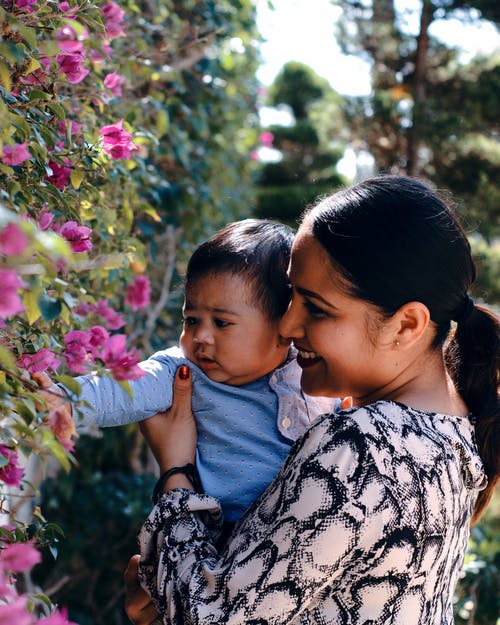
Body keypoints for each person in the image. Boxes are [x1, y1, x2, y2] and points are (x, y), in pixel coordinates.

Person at [134, 175, 499, 625]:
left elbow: (210, 617)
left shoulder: (362, 447)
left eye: (316, 308)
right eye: (290, 297)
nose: (285, 327)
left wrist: (176, 471)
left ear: (405, 326)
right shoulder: (453, 432)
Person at [37, 219, 336, 523]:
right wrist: (65, 400)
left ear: (283, 326)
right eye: (191, 320)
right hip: (215, 539)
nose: (200, 336)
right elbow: (127, 384)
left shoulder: (314, 371)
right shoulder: (184, 372)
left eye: (221, 323)